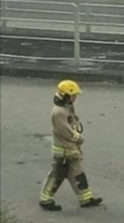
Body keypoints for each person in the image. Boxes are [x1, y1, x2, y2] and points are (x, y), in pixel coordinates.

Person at [40, 80, 102, 211]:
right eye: (74, 95)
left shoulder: (66, 107)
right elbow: (65, 131)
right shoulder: (59, 112)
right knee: (57, 174)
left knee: (77, 174)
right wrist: (78, 138)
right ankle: (45, 199)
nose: (75, 98)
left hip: (70, 149)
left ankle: (85, 198)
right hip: (64, 151)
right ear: (66, 96)